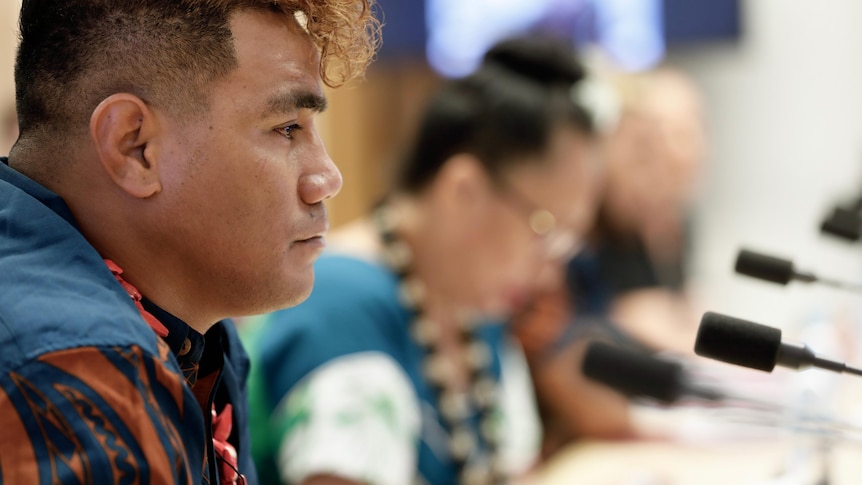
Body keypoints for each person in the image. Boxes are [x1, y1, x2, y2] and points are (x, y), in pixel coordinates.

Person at [0, 1, 380, 484]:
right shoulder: (75, 369)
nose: (327, 178)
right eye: (287, 128)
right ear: (134, 147)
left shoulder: (186, 331)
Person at [242, 36, 603, 485]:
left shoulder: (469, 302)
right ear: (463, 191)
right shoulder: (339, 305)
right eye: (545, 229)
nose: (551, 269)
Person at [511, 65, 708, 455]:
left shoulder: (659, 226)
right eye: (640, 151)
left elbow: (688, 321)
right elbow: (561, 361)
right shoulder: (568, 242)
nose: (661, 165)